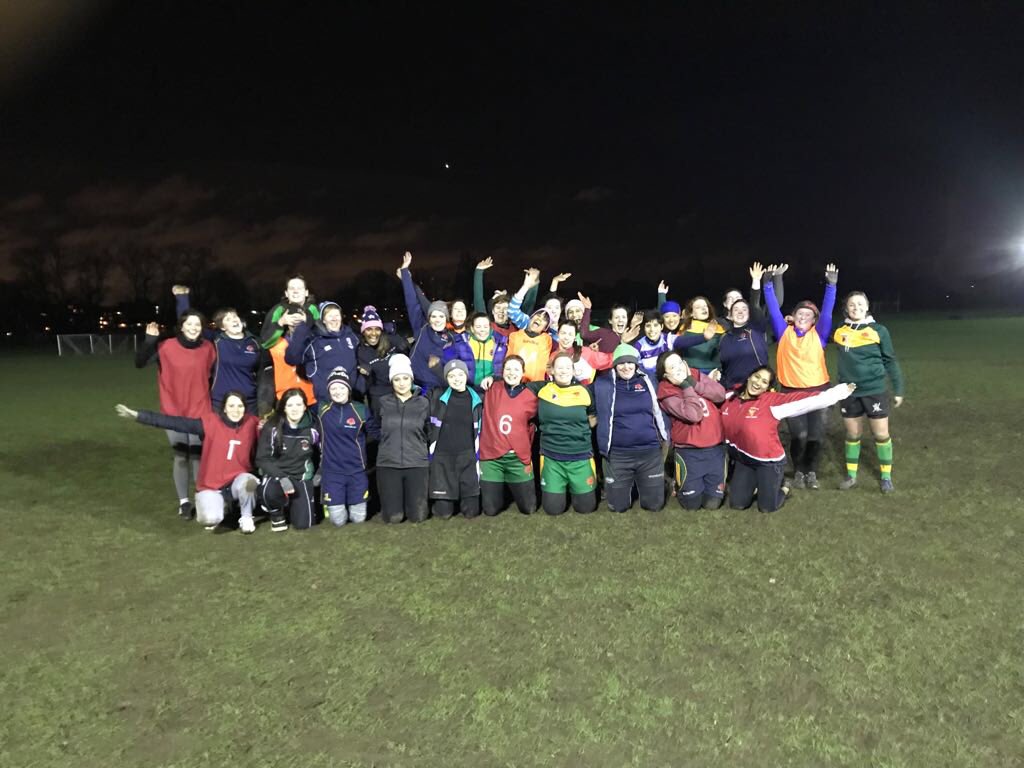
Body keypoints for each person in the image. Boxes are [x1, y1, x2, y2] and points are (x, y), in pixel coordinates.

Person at [115, 392, 260, 532]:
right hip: (212, 486)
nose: (236, 410)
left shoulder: (252, 423)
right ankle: (217, 505)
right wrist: (139, 416)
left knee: (249, 482)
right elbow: (175, 423)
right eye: (232, 406)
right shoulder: (210, 423)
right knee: (211, 519)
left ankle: (246, 517)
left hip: (237, 482)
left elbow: (274, 427)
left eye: (240, 406)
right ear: (224, 408)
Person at [721, 367, 855, 513]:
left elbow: (808, 401)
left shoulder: (772, 403)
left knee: (766, 508)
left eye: (764, 382)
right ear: (749, 377)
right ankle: (757, 484)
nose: (758, 383)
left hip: (768, 462)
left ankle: (784, 487)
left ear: (768, 388)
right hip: (745, 460)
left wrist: (838, 392)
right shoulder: (730, 397)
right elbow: (706, 394)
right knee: (737, 504)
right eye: (757, 377)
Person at [134, 310, 217, 519]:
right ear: (181, 326)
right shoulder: (166, 346)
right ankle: (184, 502)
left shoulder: (208, 348)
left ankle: (200, 498)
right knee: (181, 456)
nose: (193, 328)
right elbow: (139, 362)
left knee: (198, 456)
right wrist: (149, 341)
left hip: (200, 411)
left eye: (198, 325)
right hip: (173, 412)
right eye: (189, 324)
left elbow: (216, 375)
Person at [763, 263, 838, 490]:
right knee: (799, 435)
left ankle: (811, 471)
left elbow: (827, 311)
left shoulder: (820, 334)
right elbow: (774, 308)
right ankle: (798, 472)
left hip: (819, 391)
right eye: (800, 313)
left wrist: (831, 285)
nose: (804, 316)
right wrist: (767, 283)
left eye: (808, 314)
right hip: (790, 392)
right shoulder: (783, 331)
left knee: (815, 434)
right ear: (793, 316)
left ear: (814, 320)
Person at [833, 291, 905, 493]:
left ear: (867, 306)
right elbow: (817, 331)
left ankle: (885, 477)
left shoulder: (879, 330)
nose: (856, 308)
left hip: (874, 390)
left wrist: (898, 389)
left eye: (860, 304)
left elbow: (890, 360)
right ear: (846, 308)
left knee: (881, 434)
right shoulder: (840, 331)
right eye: (852, 305)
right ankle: (851, 476)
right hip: (848, 392)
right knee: (853, 433)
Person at [593, 344, 669, 512]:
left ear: (636, 364)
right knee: (617, 507)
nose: (626, 367)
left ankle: (654, 482)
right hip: (618, 454)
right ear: (614, 365)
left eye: (630, 363)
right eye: (621, 363)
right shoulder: (602, 385)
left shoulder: (650, 381)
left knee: (654, 506)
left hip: (649, 452)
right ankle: (628, 484)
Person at [525, 353, 598, 515]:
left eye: (567, 367)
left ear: (573, 371)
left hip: (580, 456)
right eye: (559, 367)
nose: (563, 371)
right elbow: (514, 384)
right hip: (551, 457)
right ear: (552, 371)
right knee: (552, 509)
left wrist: (578, 433)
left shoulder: (584, 391)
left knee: (586, 508)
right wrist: (494, 379)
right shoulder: (542, 389)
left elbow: (593, 417)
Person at [656, 352, 728, 510]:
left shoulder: (695, 374)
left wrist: (694, 383)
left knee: (712, 504)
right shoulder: (666, 392)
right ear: (666, 375)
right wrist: (686, 386)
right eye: (673, 367)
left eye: (680, 363)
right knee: (691, 505)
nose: (679, 369)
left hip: (714, 448)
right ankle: (677, 482)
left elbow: (720, 394)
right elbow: (693, 415)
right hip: (690, 452)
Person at [173, 286, 262, 413]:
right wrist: (182, 298)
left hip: (249, 403)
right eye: (228, 319)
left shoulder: (255, 342)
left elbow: (262, 372)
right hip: (221, 402)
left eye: (235, 317)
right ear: (222, 327)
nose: (234, 320)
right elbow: (189, 324)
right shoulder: (215, 340)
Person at [365, 354, 431, 523]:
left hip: (416, 462)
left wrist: (420, 444)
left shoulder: (424, 403)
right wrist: (387, 439)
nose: (402, 383)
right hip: (389, 463)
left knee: (418, 517)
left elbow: (429, 429)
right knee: (394, 518)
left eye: (405, 378)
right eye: (397, 379)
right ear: (391, 382)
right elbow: (374, 426)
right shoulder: (383, 402)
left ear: (411, 379)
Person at [479, 355, 539, 515]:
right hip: (492, 458)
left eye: (516, 369)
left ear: (523, 373)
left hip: (518, 458)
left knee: (529, 509)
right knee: (491, 510)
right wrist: (492, 377)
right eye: (508, 369)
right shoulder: (491, 388)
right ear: (502, 371)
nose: (512, 373)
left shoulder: (532, 393)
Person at [255, 388, 321, 531]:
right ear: (284, 407)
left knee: (304, 525)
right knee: (268, 492)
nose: (294, 409)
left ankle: (292, 505)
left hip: (301, 475)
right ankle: (276, 513)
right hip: (278, 475)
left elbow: (326, 451)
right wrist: (282, 477)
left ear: (305, 406)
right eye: (290, 405)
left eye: (298, 405)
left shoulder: (314, 425)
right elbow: (262, 458)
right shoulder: (273, 426)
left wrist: (321, 472)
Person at [427, 360, 484, 519]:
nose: (456, 379)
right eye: (451, 376)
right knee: (443, 513)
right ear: (446, 378)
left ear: (466, 375)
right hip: (442, 456)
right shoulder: (437, 396)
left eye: (460, 374)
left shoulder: (478, 398)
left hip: (467, 456)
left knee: (471, 513)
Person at [317, 368, 370, 526]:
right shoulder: (321, 409)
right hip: (332, 471)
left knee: (359, 519)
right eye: (333, 388)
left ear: (348, 389)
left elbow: (375, 431)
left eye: (341, 387)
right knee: (338, 521)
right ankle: (331, 503)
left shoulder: (361, 410)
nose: (337, 391)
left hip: (356, 470)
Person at [400, 251, 458, 392]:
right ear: (429, 318)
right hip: (416, 385)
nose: (437, 320)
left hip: (438, 388)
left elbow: (450, 367)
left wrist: (438, 366)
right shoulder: (422, 328)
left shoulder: (450, 339)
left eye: (441, 316)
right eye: (433, 316)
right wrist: (405, 272)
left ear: (446, 319)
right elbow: (412, 302)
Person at [285, 300, 360, 405]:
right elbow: (292, 359)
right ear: (323, 320)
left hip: (351, 397)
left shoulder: (351, 336)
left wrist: (360, 386)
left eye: (337, 315)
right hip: (326, 399)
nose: (334, 319)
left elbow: (359, 360)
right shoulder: (314, 340)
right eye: (330, 316)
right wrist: (302, 328)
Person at [354, 304, 410, 416]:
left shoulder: (392, 341)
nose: (373, 333)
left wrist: (406, 348)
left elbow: (408, 360)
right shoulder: (360, 351)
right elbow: (363, 386)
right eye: (369, 329)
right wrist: (365, 375)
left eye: (377, 329)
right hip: (378, 397)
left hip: (400, 390)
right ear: (363, 331)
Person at [506, 268, 555, 382]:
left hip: (536, 387)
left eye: (544, 319)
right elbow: (512, 310)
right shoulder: (515, 335)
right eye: (537, 315)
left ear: (545, 328)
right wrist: (526, 287)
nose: (539, 318)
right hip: (514, 383)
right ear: (530, 318)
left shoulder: (548, 340)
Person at [473, 257, 538, 338]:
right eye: (498, 307)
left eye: (505, 308)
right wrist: (478, 271)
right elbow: (478, 300)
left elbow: (528, 307)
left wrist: (533, 285)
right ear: (492, 310)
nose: (501, 311)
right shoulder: (487, 327)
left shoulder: (517, 329)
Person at [444, 311, 508, 392]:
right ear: (472, 328)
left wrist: (494, 378)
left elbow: (504, 369)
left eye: (485, 326)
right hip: (468, 391)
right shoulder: (460, 343)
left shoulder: (500, 343)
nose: (482, 330)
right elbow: (447, 363)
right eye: (478, 327)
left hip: (493, 390)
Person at [548, 318, 613, 385]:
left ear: (575, 337)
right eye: (563, 333)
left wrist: (622, 345)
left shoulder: (584, 352)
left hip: (582, 393)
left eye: (570, 334)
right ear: (558, 334)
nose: (566, 337)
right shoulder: (552, 356)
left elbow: (610, 359)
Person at [673, 296, 725, 374]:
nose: (703, 309)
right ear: (691, 313)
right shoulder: (684, 329)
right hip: (689, 372)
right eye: (698, 307)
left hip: (711, 373)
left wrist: (717, 371)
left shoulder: (718, 328)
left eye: (705, 306)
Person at [633, 309, 672, 379]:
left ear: (662, 326)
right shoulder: (639, 345)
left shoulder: (667, 339)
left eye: (655, 325)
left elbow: (686, 341)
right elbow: (639, 369)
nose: (652, 329)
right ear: (644, 328)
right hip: (649, 379)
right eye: (648, 326)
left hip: (668, 377)